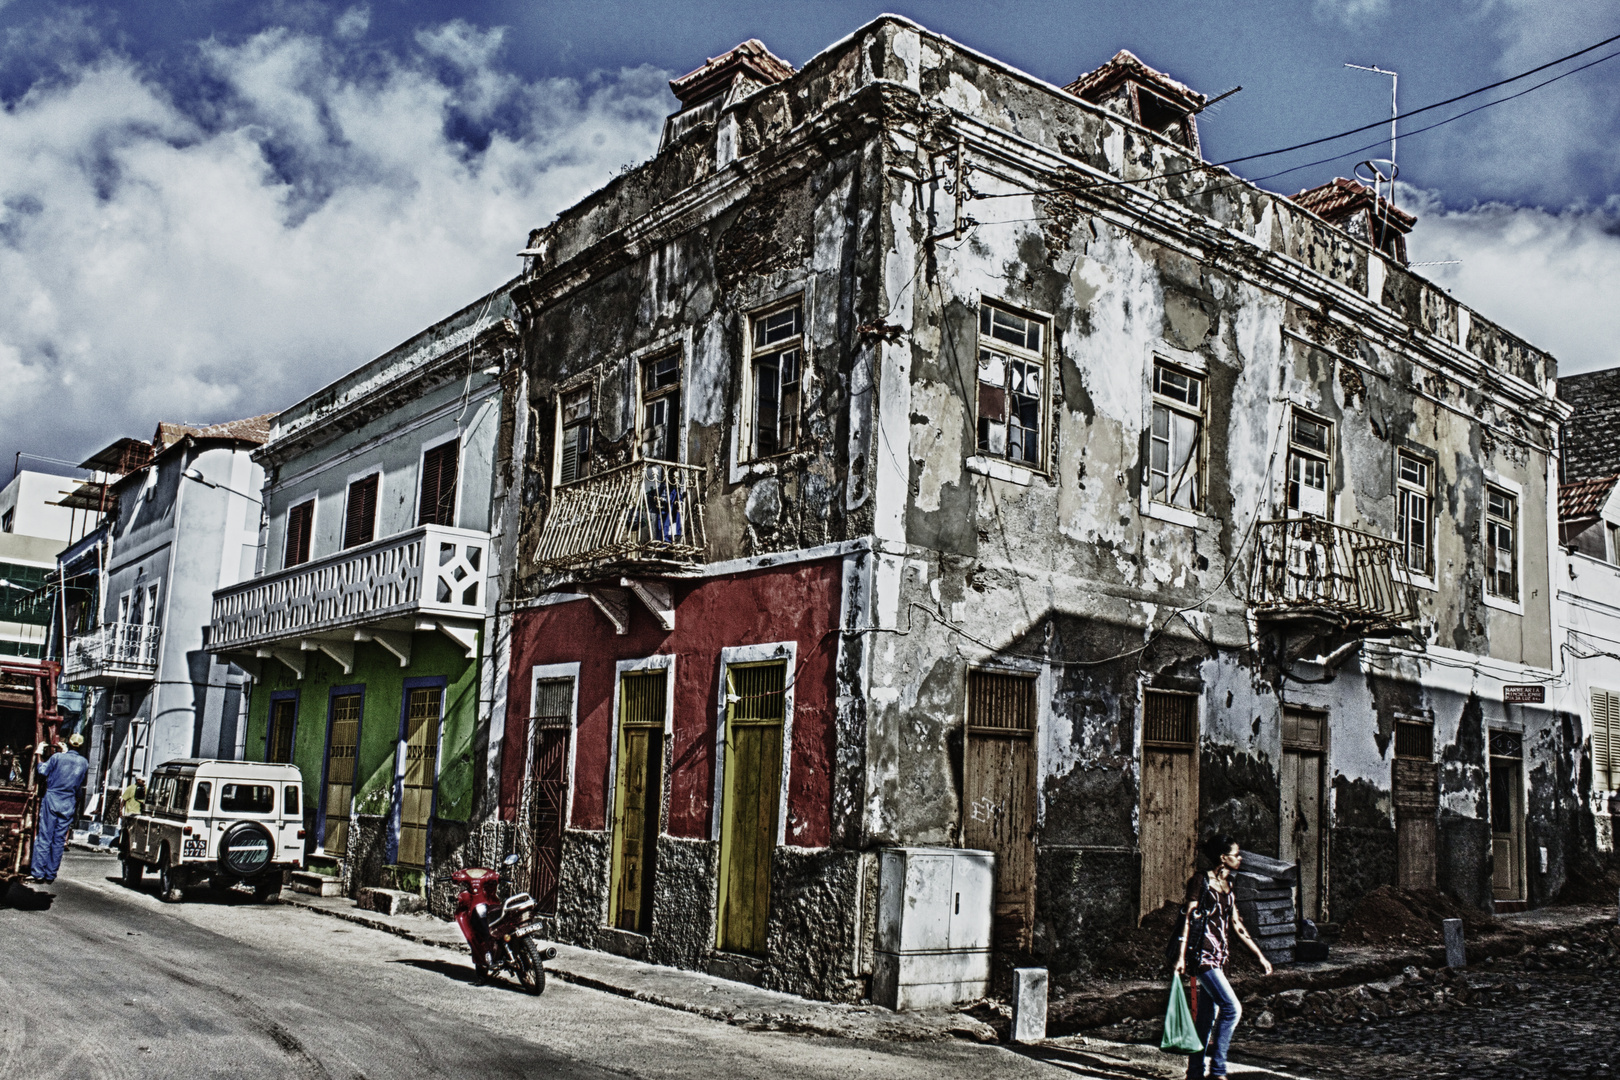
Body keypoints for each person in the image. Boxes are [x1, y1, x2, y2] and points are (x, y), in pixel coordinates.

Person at [1174, 834, 1274, 1079]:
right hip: (1201, 956)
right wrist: (1180, 957)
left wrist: (1260, 956)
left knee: (1207, 1018)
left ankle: (1195, 1072)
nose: (1239, 859)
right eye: (1235, 855)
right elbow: (1187, 918)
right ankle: (1217, 1071)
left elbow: (1237, 925)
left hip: (1218, 957)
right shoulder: (1200, 881)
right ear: (1222, 857)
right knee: (1232, 1009)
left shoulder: (1229, 886)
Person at [27, 733, 90, 884]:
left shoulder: (57, 758)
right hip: (69, 802)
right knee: (58, 840)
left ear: (68, 743)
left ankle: (38, 872)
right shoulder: (84, 762)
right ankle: (50, 874)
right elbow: (78, 785)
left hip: (53, 798)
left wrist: (38, 753)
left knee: (45, 837)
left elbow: (42, 770)